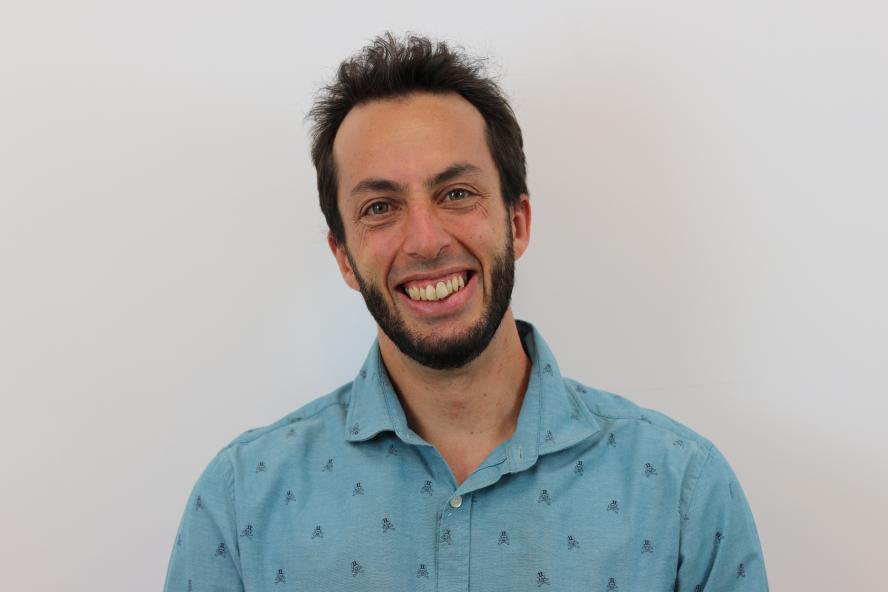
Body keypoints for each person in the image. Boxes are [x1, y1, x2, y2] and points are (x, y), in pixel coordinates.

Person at [163, 32, 769, 591]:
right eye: (380, 206)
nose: (425, 240)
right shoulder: (240, 499)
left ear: (517, 222)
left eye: (456, 194)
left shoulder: (683, 492)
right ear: (344, 257)